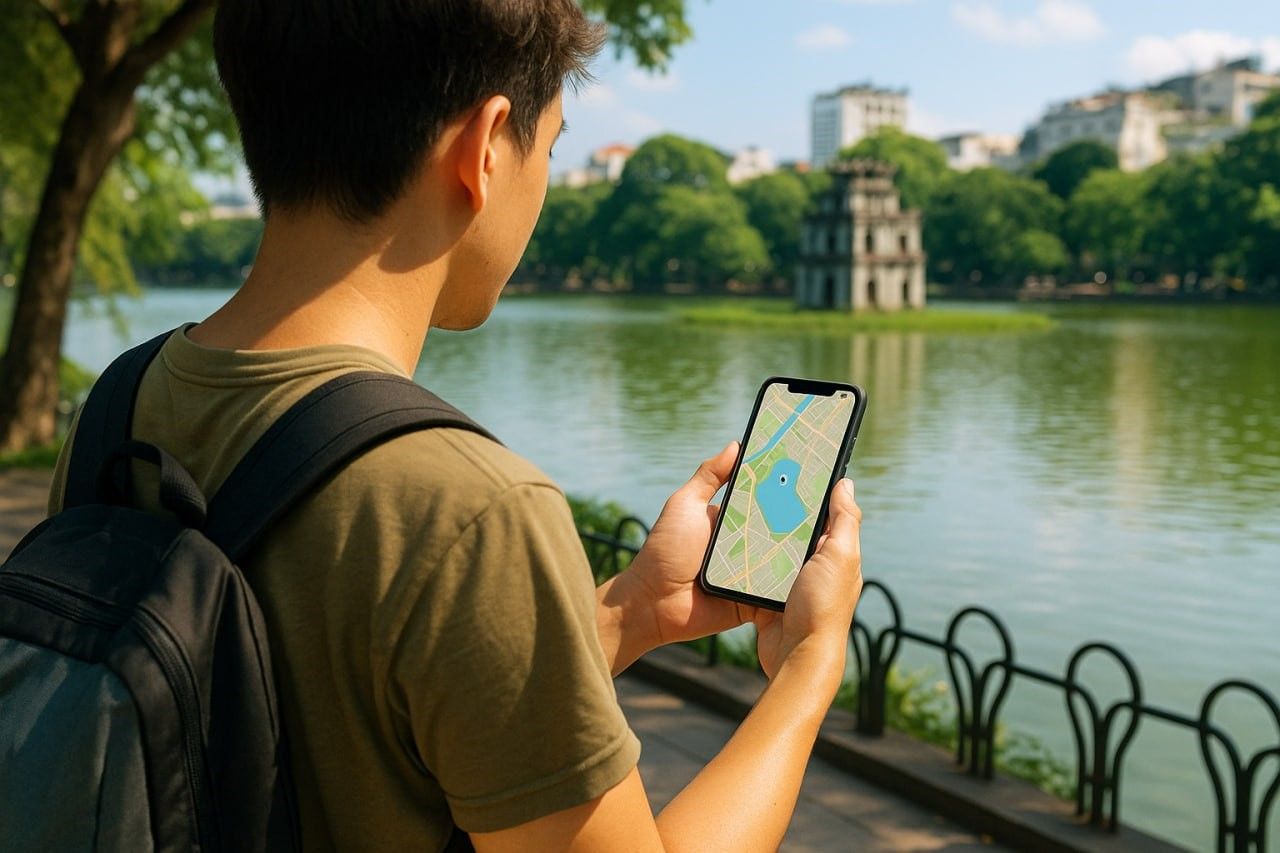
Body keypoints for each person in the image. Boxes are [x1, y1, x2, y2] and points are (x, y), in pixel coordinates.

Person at [47, 1, 864, 850]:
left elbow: (344, 707)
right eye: (549, 148)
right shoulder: (476, 511)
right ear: (484, 149)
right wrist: (809, 670)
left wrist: (635, 609)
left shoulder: (121, 404)